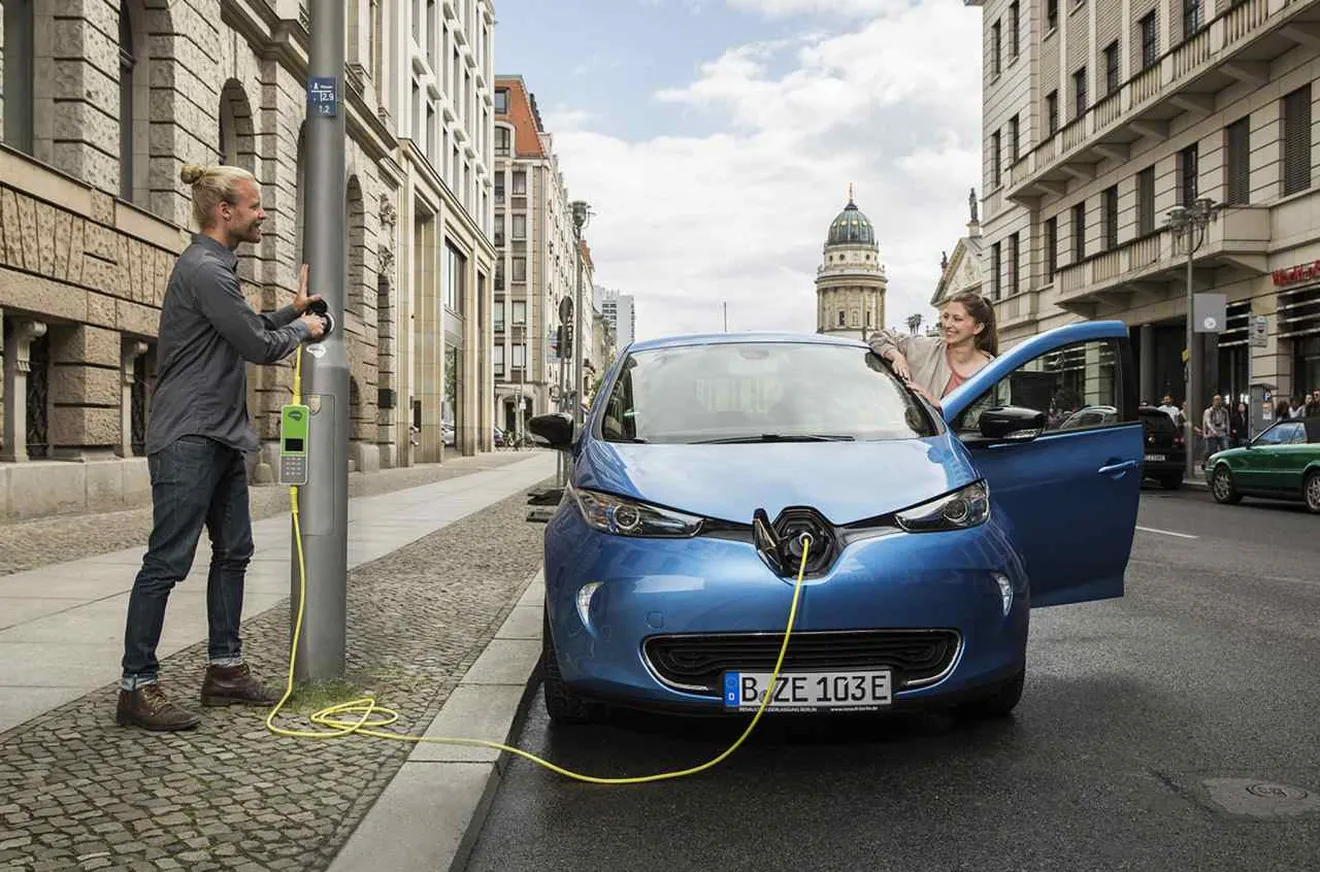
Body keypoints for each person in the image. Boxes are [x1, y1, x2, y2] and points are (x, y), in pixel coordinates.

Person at [117, 163, 327, 731]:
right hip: (189, 436)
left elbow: (243, 326)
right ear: (224, 211)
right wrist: (303, 331)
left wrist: (291, 310)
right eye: (255, 206)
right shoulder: (205, 267)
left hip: (221, 435)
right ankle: (137, 685)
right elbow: (257, 345)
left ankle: (225, 670)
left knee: (234, 551)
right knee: (166, 563)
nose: (264, 214)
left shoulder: (216, 270)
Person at [869, 291, 999, 411]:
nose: (947, 324)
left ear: (977, 327)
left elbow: (982, 421)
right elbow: (879, 337)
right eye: (946, 316)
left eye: (957, 319)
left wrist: (938, 405)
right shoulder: (926, 347)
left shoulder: (993, 371)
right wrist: (897, 357)